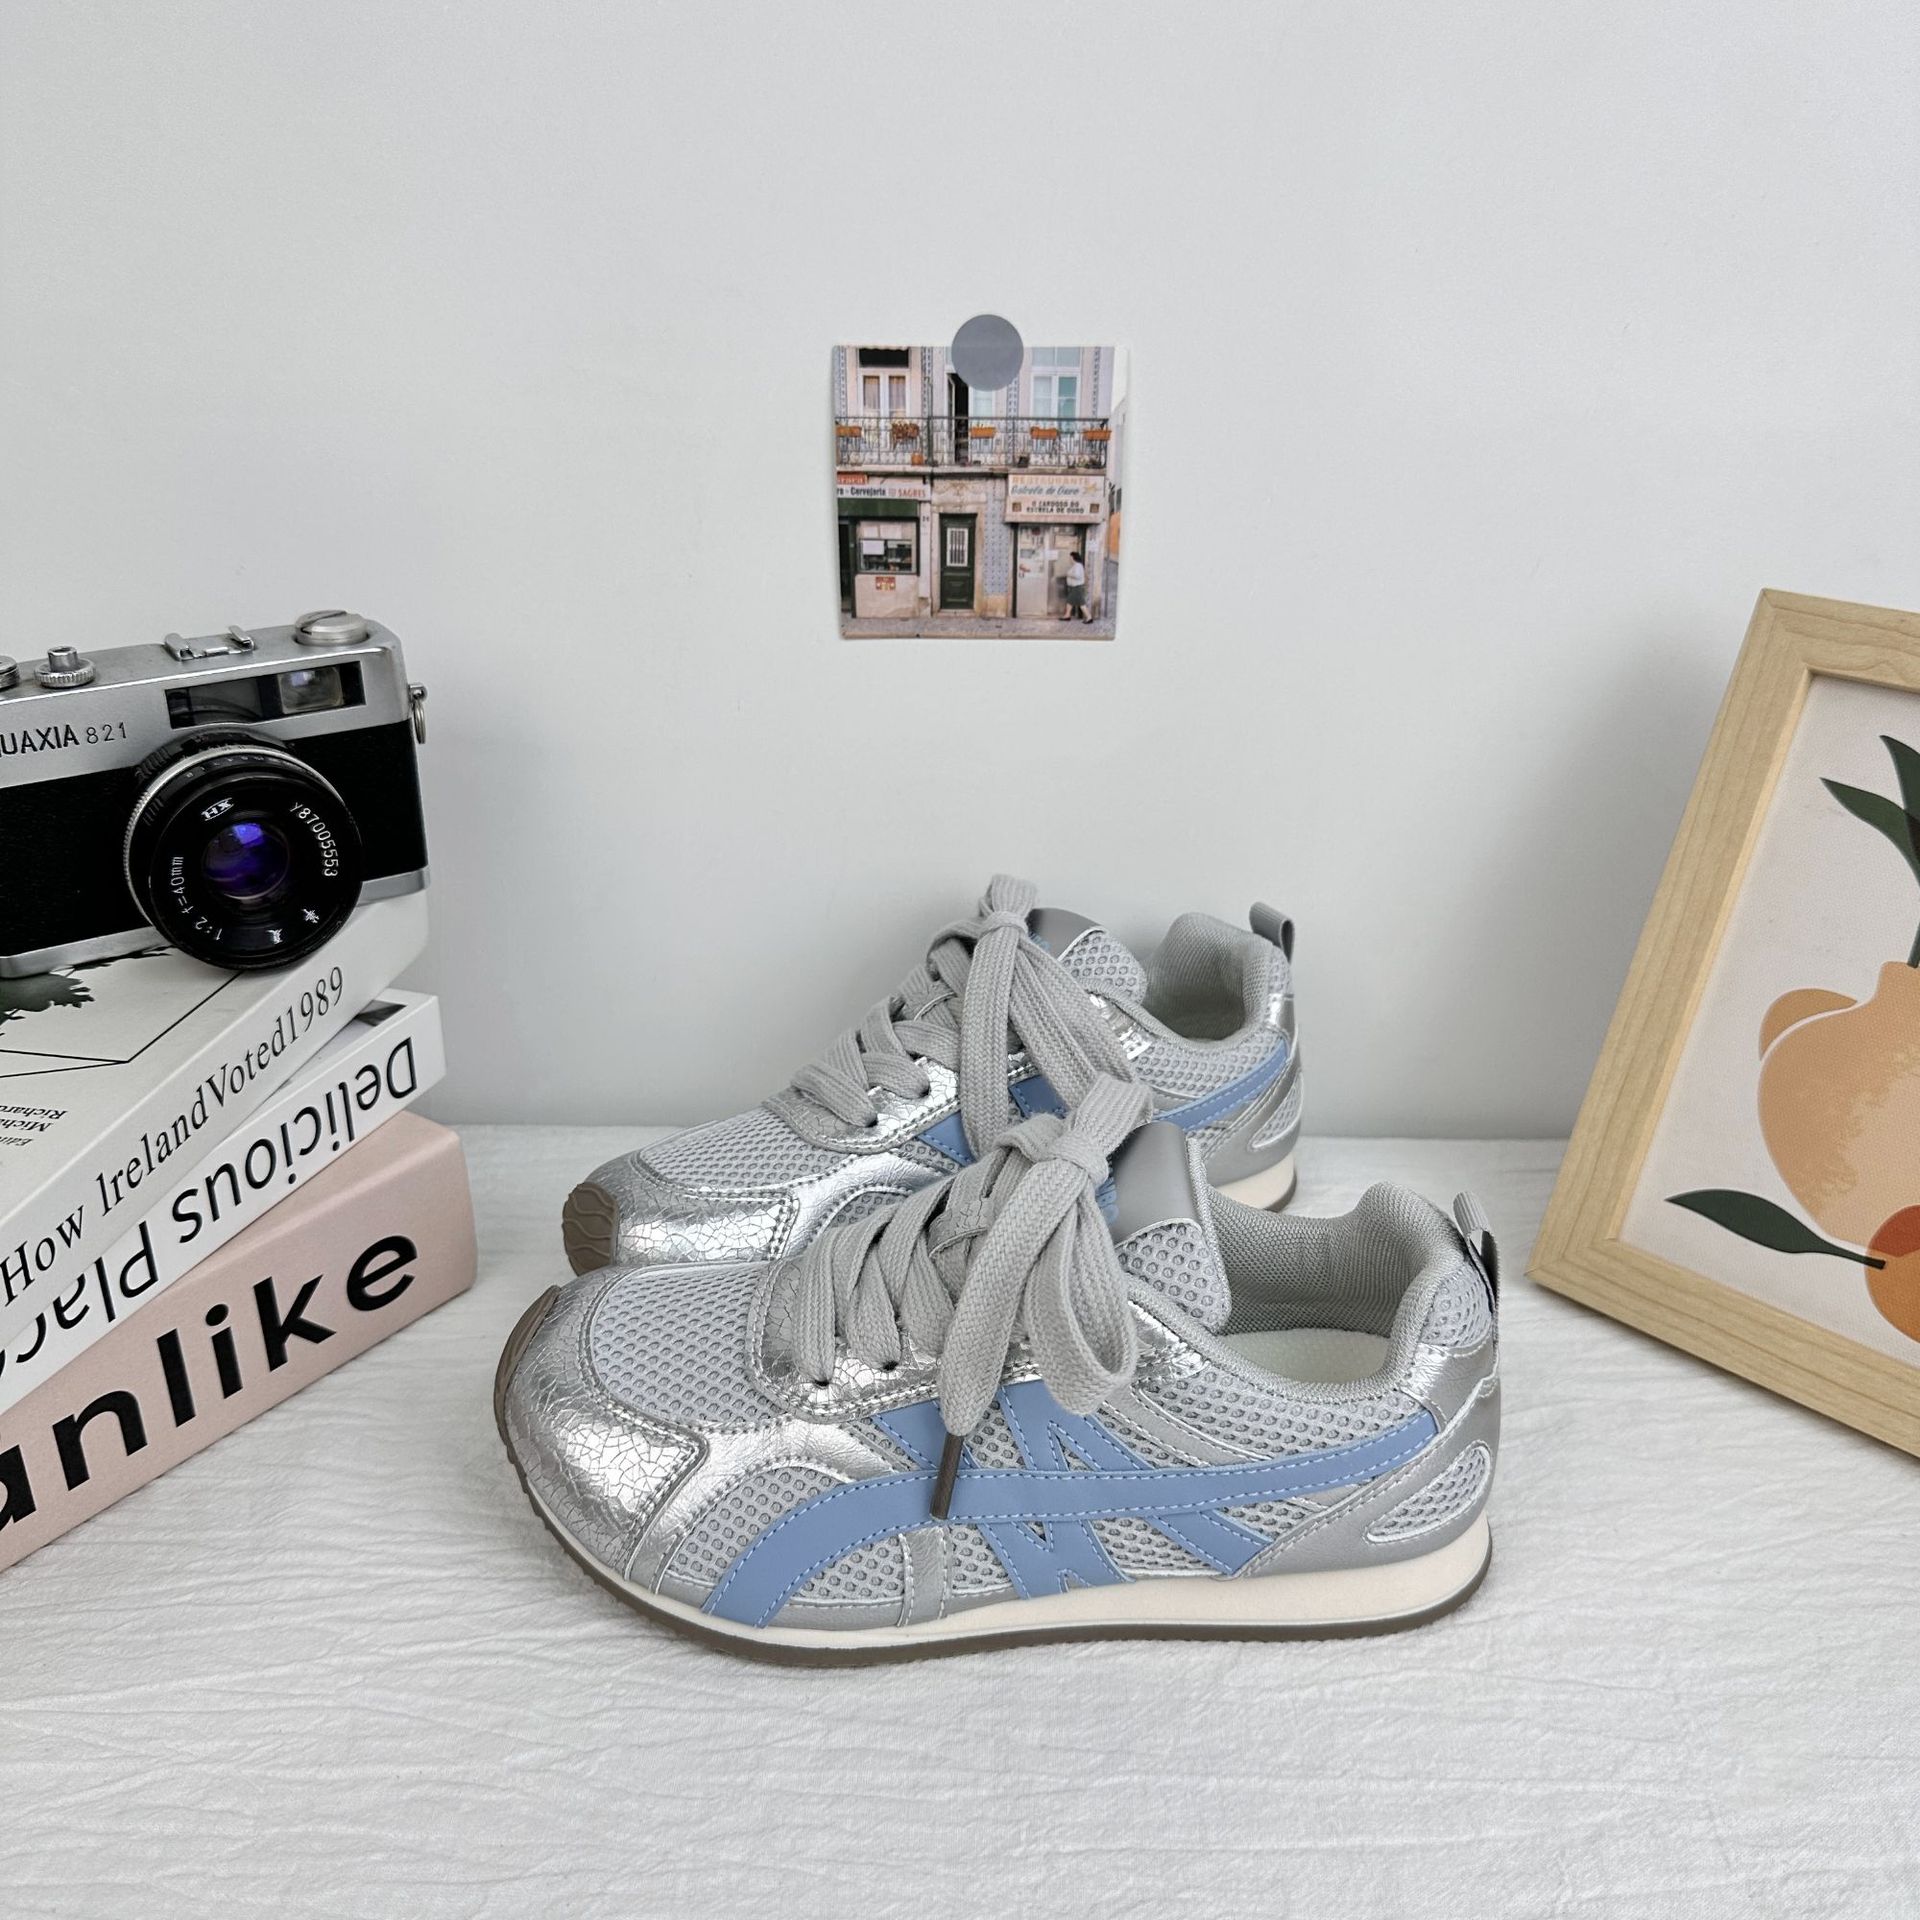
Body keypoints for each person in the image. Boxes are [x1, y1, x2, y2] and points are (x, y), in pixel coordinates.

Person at [1063, 552, 1090, 623]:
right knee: (1069, 601)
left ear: (1073, 558)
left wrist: (1069, 574)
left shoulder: (1078, 566)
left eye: (1070, 557)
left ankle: (1089, 617)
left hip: (1077, 588)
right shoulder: (1076, 565)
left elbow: (1077, 576)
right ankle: (1067, 615)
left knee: (1082, 604)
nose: (1069, 559)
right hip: (1075, 587)